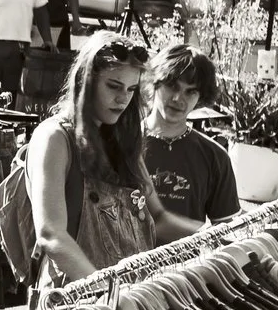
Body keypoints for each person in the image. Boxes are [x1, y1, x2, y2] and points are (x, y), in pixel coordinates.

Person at [25, 30, 196, 284]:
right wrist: (107, 291)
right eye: (113, 86)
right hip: (71, 308)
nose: (122, 99)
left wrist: (212, 233)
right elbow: (51, 234)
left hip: (127, 302)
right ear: (86, 80)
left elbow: (158, 217)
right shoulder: (55, 138)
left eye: (131, 89)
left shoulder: (123, 140)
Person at [140, 44, 241, 228]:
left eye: (190, 91)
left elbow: (225, 233)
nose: (178, 98)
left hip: (189, 258)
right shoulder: (122, 144)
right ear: (155, 81)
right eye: (172, 85)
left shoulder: (215, 157)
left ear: (201, 97)